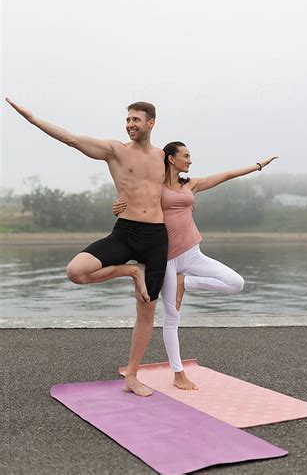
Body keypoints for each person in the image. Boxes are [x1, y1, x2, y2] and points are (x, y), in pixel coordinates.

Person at [5, 97, 167, 397]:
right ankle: (130, 272)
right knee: (76, 271)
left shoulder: (163, 157)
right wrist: (32, 118)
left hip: (157, 237)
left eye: (136, 120)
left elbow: (181, 189)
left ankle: (132, 375)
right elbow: (71, 139)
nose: (130, 124)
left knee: (146, 310)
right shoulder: (114, 151)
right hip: (125, 232)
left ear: (151, 122)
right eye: (128, 119)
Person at [113, 141, 278, 390]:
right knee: (172, 318)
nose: (190, 160)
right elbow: (131, 203)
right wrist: (117, 206)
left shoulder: (190, 184)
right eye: (186, 156)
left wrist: (257, 166)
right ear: (171, 159)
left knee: (236, 283)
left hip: (193, 253)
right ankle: (178, 374)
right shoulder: (154, 187)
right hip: (165, 258)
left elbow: (225, 176)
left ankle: (185, 282)